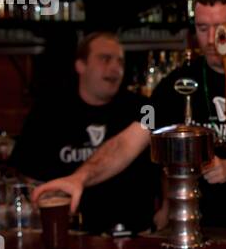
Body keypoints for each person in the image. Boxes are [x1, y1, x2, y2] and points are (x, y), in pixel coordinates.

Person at [32, 0, 226, 231]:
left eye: (222, 28)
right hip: (199, 227)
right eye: (203, 28)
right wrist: (79, 178)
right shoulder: (181, 80)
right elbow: (129, 141)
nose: (212, 38)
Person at [11, 31, 158, 234]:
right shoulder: (49, 111)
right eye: (105, 59)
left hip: (134, 235)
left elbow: (166, 167)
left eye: (120, 62)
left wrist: (166, 209)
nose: (115, 68)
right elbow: (26, 174)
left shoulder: (142, 109)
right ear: (80, 65)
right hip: (70, 233)